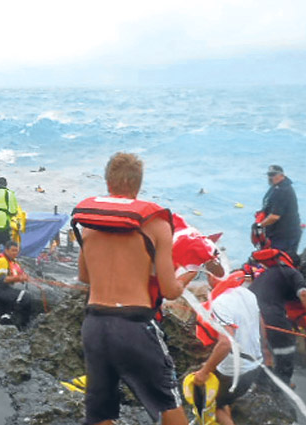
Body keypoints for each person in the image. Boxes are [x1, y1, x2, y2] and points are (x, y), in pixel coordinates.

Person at [73, 152, 191, 425]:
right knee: (168, 405)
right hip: (134, 326)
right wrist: (188, 277)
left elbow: (84, 276)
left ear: (108, 183)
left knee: (100, 412)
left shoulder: (90, 224)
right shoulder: (157, 225)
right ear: (138, 185)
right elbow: (170, 291)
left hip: (95, 325)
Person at [191, 271, 271, 425]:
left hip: (234, 369)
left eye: (208, 275)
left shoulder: (220, 303)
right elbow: (261, 323)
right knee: (224, 398)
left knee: (211, 404)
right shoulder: (247, 294)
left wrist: (204, 372)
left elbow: (225, 343)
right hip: (255, 362)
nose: (208, 279)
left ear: (213, 276)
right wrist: (265, 350)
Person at [248, 248, 306, 385]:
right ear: (298, 266)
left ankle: (261, 380)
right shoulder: (293, 273)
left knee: (263, 348)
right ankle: (282, 383)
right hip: (268, 311)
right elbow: (304, 294)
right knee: (286, 345)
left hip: (248, 310)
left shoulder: (268, 274)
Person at [256, 165, 302, 264]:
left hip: (285, 235)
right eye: (269, 175)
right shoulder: (276, 187)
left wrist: (259, 226)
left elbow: (274, 216)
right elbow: (269, 206)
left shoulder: (283, 191)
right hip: (278, 233)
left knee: (282, 262)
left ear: (282, 175)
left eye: (273, 175)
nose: (270, 177)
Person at [0, 240, 32, 327]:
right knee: (25, 297)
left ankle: (7, 316)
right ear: (6, 250)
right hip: (0, 290)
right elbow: (3, 279)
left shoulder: (13, 262)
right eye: (13, 250)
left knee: (22, 295)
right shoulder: (2, 261)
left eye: (16, 250)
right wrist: (19, 278)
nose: (15, 253)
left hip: (8, 289)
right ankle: (18, 320)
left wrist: (24, 277)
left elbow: (18, 274)